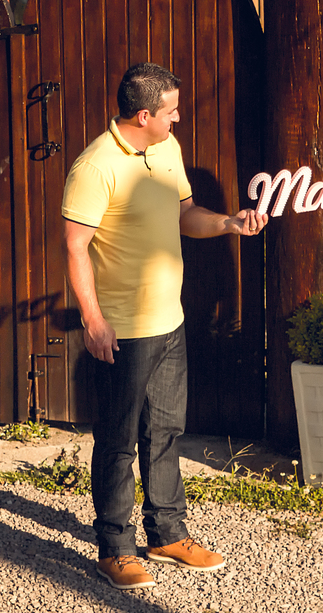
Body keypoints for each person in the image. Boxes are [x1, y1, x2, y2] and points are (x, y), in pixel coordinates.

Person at [62, 62, 268, 591]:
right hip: (123, 330)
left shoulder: (166, 149)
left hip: (169, 320)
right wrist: (93, 319)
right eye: (171, 111)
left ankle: (167, 533)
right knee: (117, 439)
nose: (178, 119)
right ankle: (115, 546)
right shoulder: (95, 166)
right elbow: (75, 246)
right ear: (144, 114)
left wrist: (227, 223)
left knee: (165, 431)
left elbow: (185, 214)